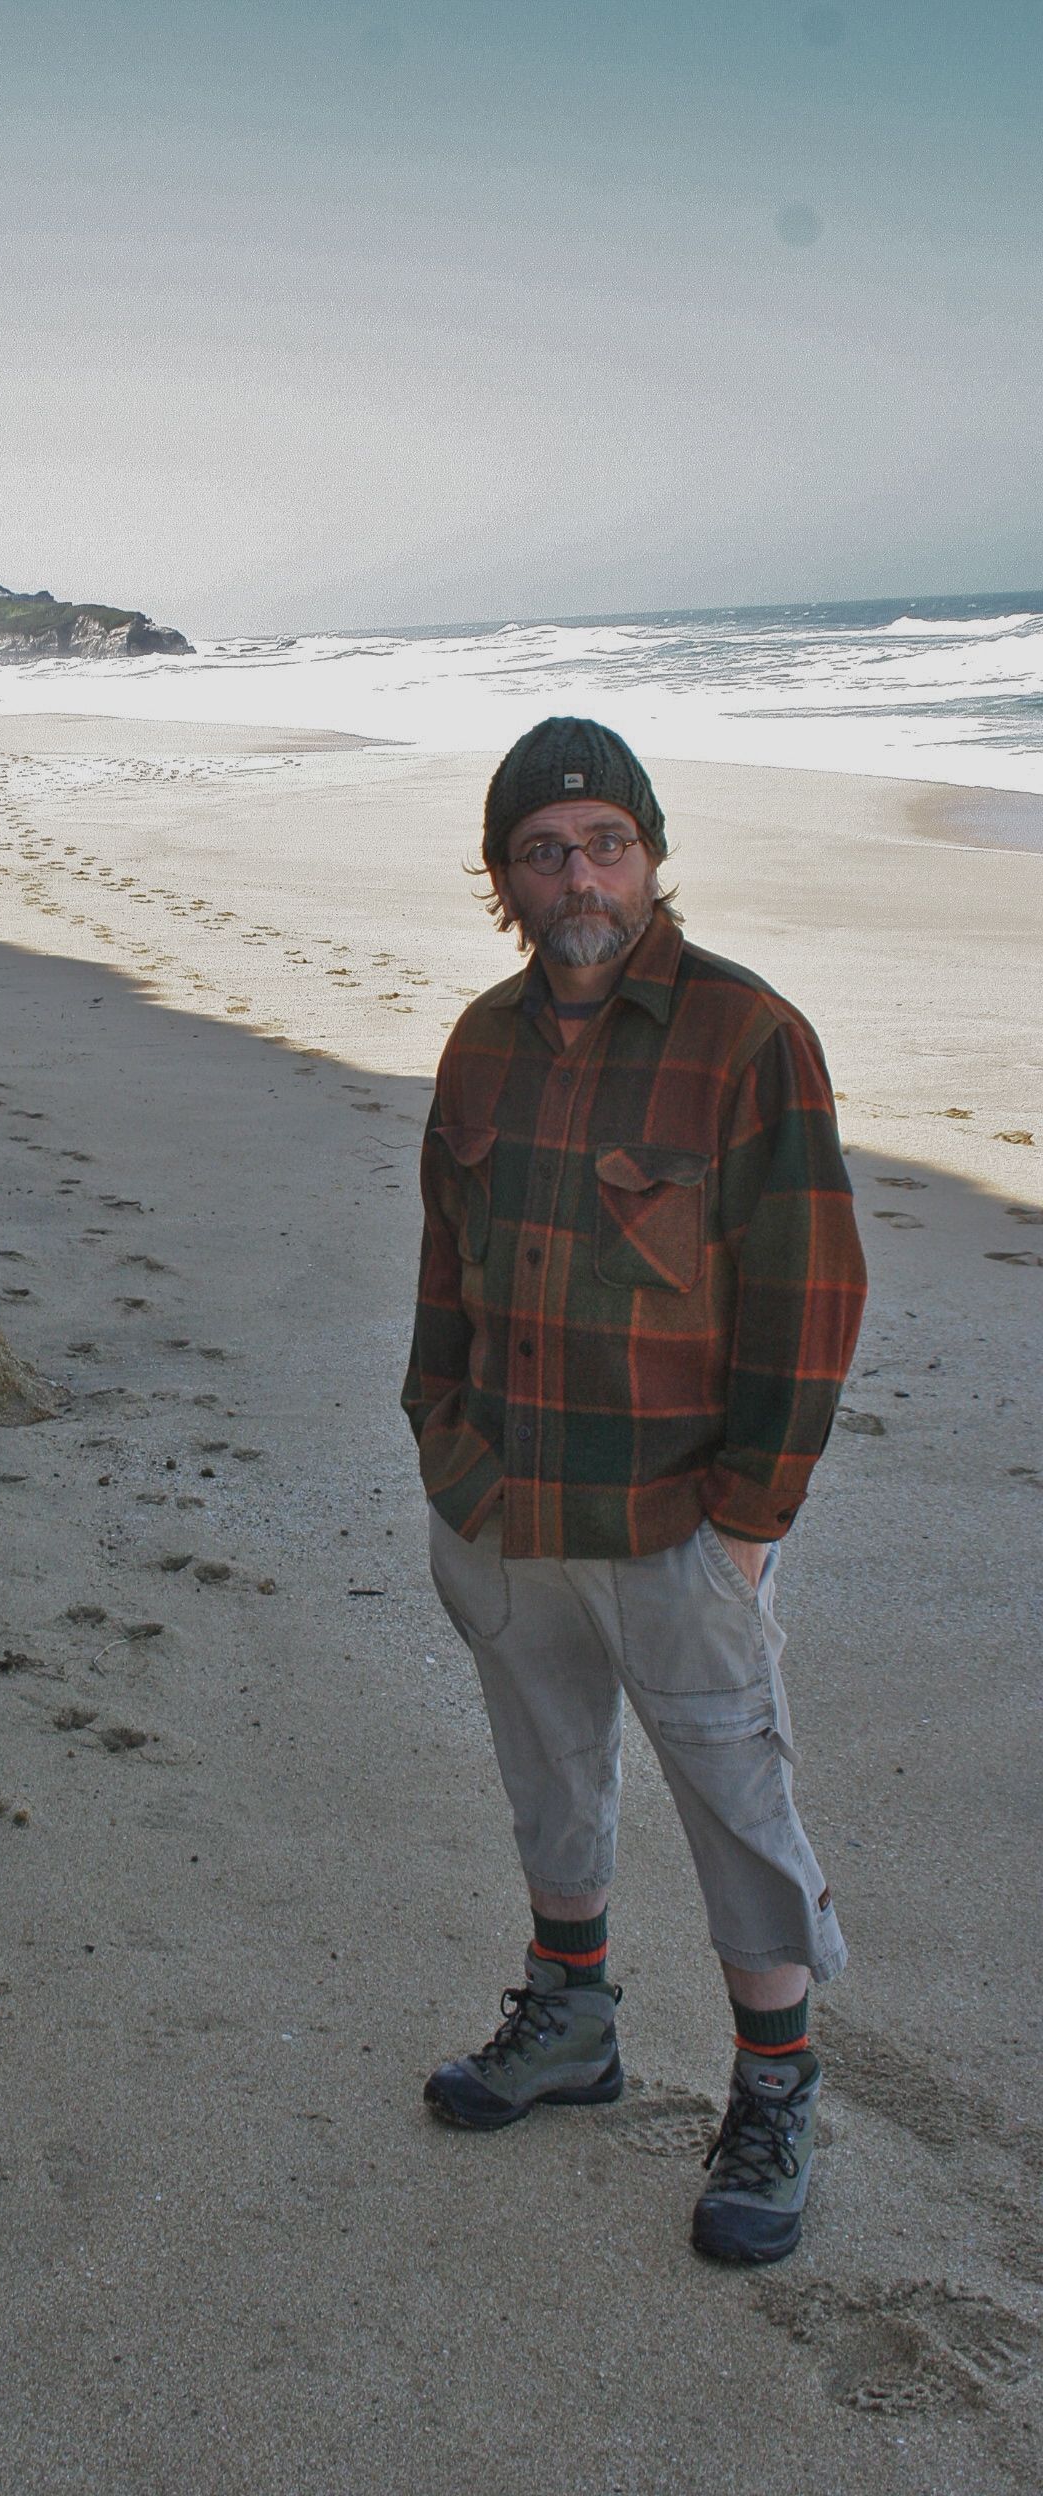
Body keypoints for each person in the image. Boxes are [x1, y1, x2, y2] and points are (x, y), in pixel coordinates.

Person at [402, 715, 867, 2264]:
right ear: (503, 881)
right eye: (543, 853)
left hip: (678, 1521)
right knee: (550, 1780)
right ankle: (571, 2021)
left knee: (738, 1806)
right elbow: (445, 1265)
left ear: (653, 858)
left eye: (606, 843)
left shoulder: (749, 1038)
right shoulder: (479, 1042)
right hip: (506, 1502)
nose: (578, 876)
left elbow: (811, 1293)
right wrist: (441, 1443)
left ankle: (776, 2092)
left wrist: (749, 1523)